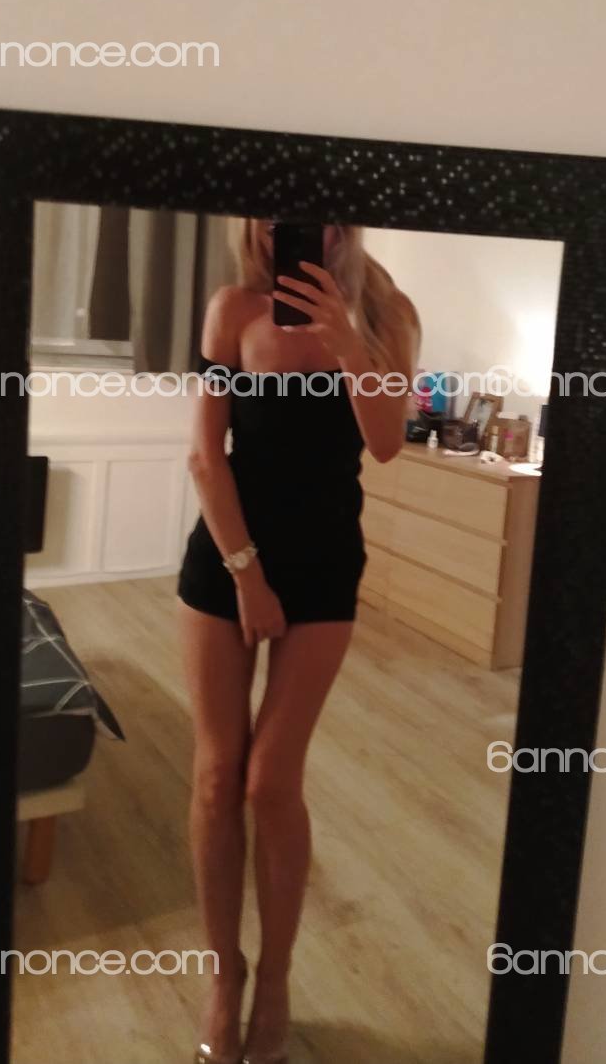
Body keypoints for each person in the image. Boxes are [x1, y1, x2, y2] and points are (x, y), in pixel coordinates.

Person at [177, 218, 420, 1064]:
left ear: (345, 222)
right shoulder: (232, 309)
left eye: (317, 212)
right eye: (270, 212)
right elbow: (206, 457)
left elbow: (386, 444)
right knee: (217, 775)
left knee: (271, 781)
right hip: (228, 555)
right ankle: (225, 976)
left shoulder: (388, 314)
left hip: (324, 566)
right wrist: (247, 576)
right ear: (253, 223)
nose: (291, 226)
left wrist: (348, 342)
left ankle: (275, 978)